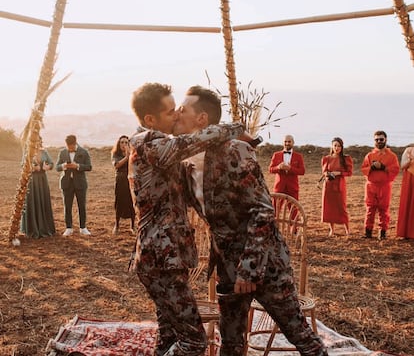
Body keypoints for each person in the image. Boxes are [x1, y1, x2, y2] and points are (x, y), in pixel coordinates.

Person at [175, 86, 327, 356]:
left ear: (202, 119)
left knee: (299, 335)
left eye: (183, 108)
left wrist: (249, 268)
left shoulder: (236, 151)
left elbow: (263, 210)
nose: (177, 112)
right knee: (231, 343)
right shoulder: (186, 161)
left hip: (265, 264)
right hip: (226, 267)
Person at [128, 82, 248, 356]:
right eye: (171, 111)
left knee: (170, 334)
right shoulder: (146, 144)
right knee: (194, 342)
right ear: (150, 119)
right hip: (161, 259)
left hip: (166, 258)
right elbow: (191, 142)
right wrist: (232, 128)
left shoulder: (160, 149)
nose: (177, 115)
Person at [361, 130, 399, 240]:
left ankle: (382, 233)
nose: (379, 141)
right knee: (370, 209)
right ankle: (368, 232)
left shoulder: (392, 156)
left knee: (384, 209)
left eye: (381, 139)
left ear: (386, 139)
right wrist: (371, 168)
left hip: (385, 186)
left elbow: (395, 170)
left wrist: (384, 167)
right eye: (376, 140)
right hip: (371, 186)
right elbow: (363, 169)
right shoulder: (369, 155)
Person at [56, 134, 92, 236]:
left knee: (82, 205)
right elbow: (57, 167)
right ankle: (68, 227)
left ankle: (83, 227)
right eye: (68, 146)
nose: (69, 148)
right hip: (66, 183)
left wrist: (78, 166)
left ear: (75, 143)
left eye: (71, 146)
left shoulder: (84, 152)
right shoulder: (62, 152)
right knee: (67, 206)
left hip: (80, 183)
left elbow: (89, 166)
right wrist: (64, 166)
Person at [20, 136, 56, 238]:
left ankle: (44, 227)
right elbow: (22, 165)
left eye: (38, 141)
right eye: (35, 141)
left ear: (41, 142)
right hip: (31, 181)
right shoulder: (27, 152)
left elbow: (52, 164)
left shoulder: (44, 152)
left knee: (42, 200)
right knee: (32, 201)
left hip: (42, 180)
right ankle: (32, 228)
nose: (37, 143)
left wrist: (47, 167)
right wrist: (32, 167)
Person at [320, 137, 353, 237]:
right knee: (329, 207)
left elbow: (349, 173)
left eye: (339, 146)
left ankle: (347, 230)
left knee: (341, 207)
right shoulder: (326, 158)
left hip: (339, 185)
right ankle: (332, 230)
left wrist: (338, 173)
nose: (337, 148)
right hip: (328, 185)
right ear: (332, 146)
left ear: (342, 147)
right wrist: (327, 174)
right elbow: (324, 171)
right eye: (335, 145)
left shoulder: (346, 159)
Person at [111, 135, 135, 235]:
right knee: (119, 201)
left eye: (126, 142)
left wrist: (131, 156)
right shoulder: (115, 154)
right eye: (122, 142)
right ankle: (117, 225)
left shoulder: (133, 154)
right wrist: (127, 157)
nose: (124, 144)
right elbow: (116, 165)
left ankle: (133, 226)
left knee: (132, 202)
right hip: (120, 180)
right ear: (118, 143)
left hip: (131, 180)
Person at [268, 134, 305, 200]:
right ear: (283, 143)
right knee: (276, 209)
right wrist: (278, 167)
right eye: (285, 141)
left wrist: (290, 169)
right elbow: (270, 169)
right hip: (279, 187)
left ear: (293, 142)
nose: (287, 143)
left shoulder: (298, 156)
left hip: (293, 188)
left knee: (293, 209)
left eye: (289, 141)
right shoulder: (276, 155)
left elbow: (302, 171)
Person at [396, 144, 414, 239]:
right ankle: (406, 232)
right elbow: (403, 166)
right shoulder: (409, 150)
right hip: (410, 179)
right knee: (408, 203)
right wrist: (410, 160)